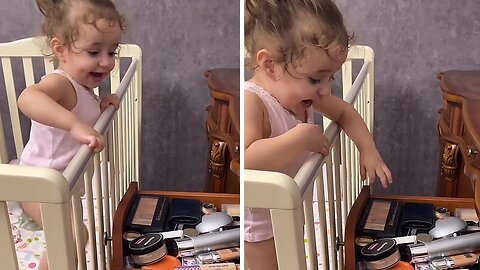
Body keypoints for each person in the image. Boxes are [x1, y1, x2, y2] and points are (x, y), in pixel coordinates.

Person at [244, 0, 393, 269]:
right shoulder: (254, 101)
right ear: (270, 66)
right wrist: (297, 139)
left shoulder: (303, 93)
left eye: (330, 78)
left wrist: (368, 149)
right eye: (316, 79)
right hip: (260, 227)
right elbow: (245, 158)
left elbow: (345, 113)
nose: (325, 90)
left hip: (291, 207)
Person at [17, 0, 125, 268]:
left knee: (77, 232)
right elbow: (28, 98)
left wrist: (101, 106)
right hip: (37, 184)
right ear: (60, 49)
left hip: (60, 182)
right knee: (76, 234)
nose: (106, 62)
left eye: (112, 52)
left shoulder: (82, 86)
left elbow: (82, 111)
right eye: (93, 52)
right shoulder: (60, 82)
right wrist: (73, 124)